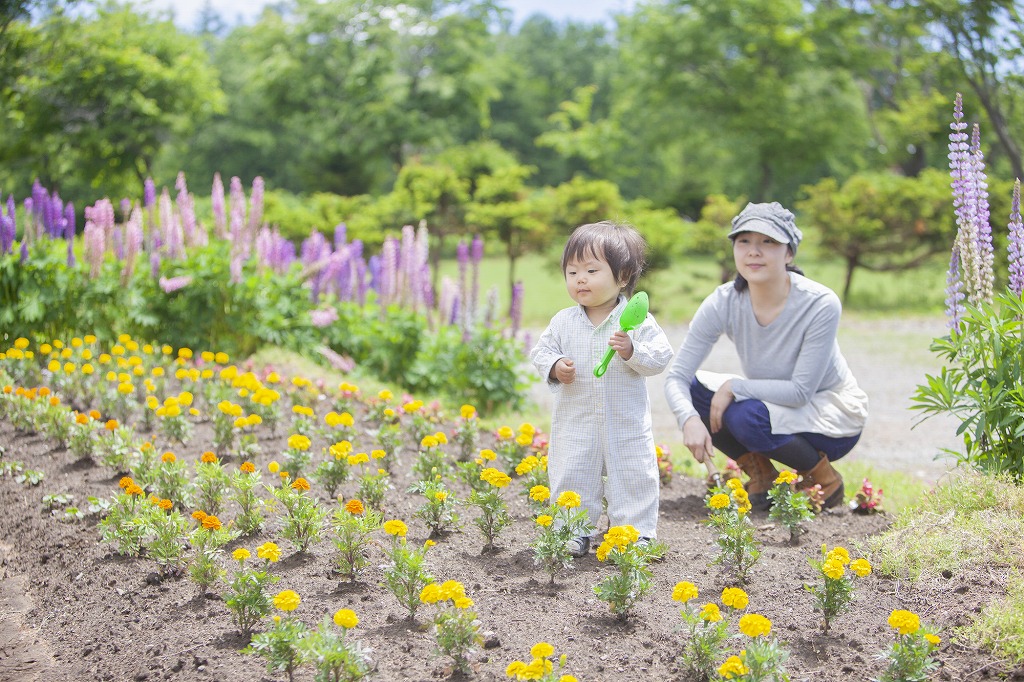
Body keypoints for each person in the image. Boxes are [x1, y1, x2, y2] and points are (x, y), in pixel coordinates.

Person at [664, 202, 868, 510]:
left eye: (768, 242)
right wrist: (689, 418)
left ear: (789, 253)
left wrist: (734, 386)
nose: (753, 251)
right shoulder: (724, 301)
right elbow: (677, 376)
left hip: (831, 416)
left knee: (744, 415)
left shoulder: (819, 303)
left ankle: (824, 480)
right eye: (744, 241)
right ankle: (763, 475)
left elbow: (800, 392)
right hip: (772, 404)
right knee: (697, 394)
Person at [530, 221, 674, 556]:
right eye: (572, 271)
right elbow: (541, 351)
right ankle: (572, 527)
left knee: (633, 474)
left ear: (623, 277)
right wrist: (554, 366)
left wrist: (631, 351)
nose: (580, 279)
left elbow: (660, 356)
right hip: (576, 419)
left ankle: (634, 532)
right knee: (572, 470)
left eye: (592, 270)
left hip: (625, 422)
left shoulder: (636, 321)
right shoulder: (563, 322)